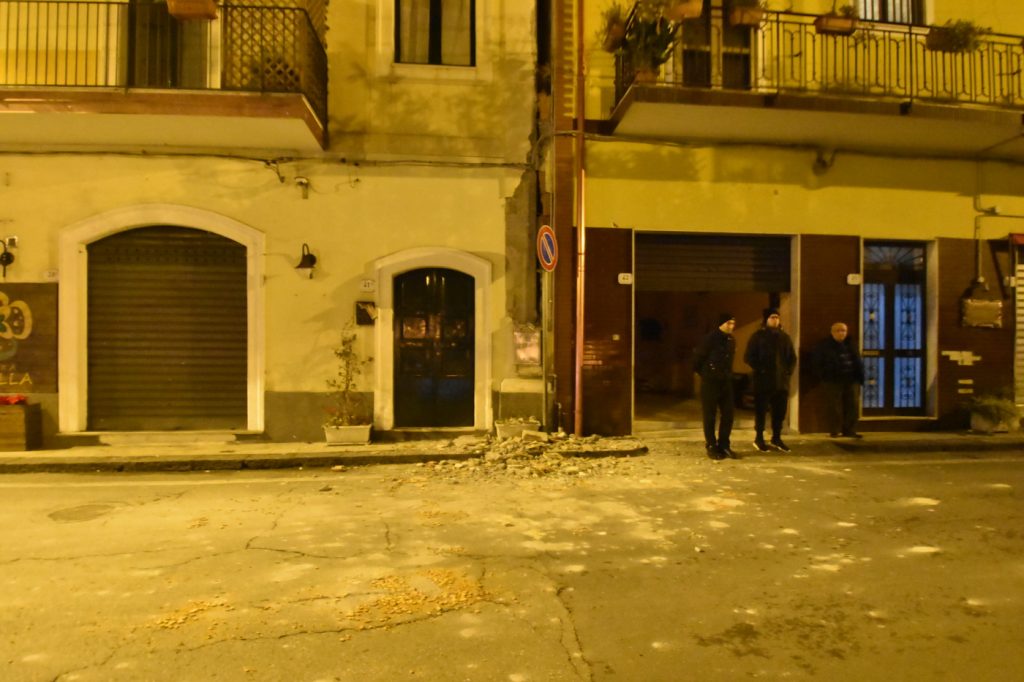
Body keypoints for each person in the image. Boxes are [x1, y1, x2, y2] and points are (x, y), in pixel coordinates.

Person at [744, 307, 796, 453]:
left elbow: (792, 357)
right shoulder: (758, 337)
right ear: (766, 319)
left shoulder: (784, 337)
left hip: (781, 382)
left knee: (779, 412)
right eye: (772, 317)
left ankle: (776, 438)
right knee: (761, 411)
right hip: (763, 381)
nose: (775, 320)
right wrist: (761, 369)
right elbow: (748, 357)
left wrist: (787, 372)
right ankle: (759, 438)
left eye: (777, 317)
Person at [693, 312, 737, 460]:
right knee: (710, 415)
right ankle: (711, 445)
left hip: (726, 381)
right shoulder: (710, 339)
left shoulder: (731, 340)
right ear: (721, 324)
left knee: (728, 414)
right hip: (710, 382)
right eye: (728, 323)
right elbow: (698, 359)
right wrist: (706, 374)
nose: (731, 326)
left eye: (733, 323)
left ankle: (724, 444)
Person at [813, 321, 865, 438]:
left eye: (843, 331)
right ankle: (834, 430)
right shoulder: (825, 346)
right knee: (834, 406)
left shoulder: (851, 344)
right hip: (833, 380)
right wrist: (824, 375)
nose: (841, 333)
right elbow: (817, 363)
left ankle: (850, 430)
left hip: (851, 379)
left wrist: (859, 377)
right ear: (832, 332)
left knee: (852, 405)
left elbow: (857, 360)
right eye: (838, 331)